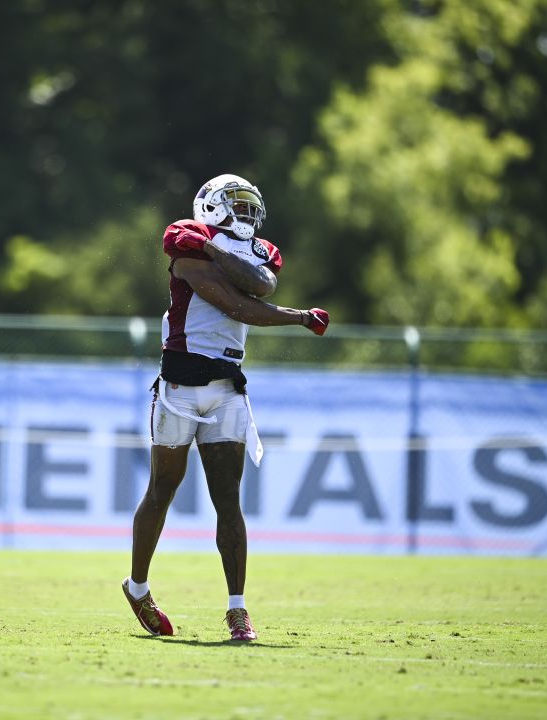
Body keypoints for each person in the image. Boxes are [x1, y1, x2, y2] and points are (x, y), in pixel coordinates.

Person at [123, 173, 329, 642]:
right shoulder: (185, 241)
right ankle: (137, 587)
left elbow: (262, 285)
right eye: (234, 203)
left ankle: (237, 608)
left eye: (249, 204)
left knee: (228, 499)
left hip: (226, 388)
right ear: (209, 206)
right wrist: (299, 318)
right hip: (179, 384)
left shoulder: (248, 250)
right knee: (163, 488)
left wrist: (218, 252)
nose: (245, 213)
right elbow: (238, 305)